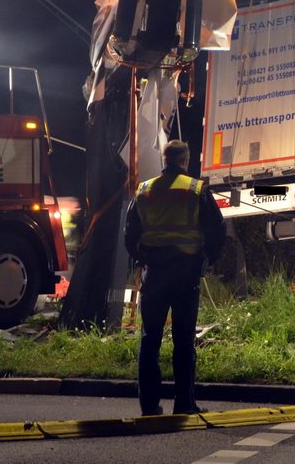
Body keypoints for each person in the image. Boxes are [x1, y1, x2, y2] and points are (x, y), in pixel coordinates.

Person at [124, 139, 226, 416]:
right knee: (183, 341)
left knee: (150, 340)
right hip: (185, 274)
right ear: (185, 160)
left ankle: (148, 405)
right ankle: (184, 404)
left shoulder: (144, 191)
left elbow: (129, 235)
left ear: (164, 161)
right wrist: (206, 260)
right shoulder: (196, 190)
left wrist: (143, 259)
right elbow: (217, 230)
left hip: (154, 275)